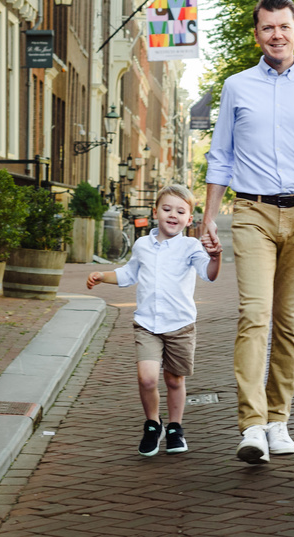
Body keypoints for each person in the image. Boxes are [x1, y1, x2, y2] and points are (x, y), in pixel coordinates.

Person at [201, 0, 294, 464]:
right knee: (254, 316)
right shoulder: (237, 87)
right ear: (257, 35)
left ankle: (278, 420)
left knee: (290, 321)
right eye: (267, 28)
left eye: (284, 26)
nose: (276, 35)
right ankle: (251, 426)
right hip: (251, 213)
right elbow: (220, 155)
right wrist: (208, 216)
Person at [87, 184, 222, 457]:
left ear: (189, 218)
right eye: (167, 208)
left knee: (174, 381)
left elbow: (209, 274)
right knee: (147, 379)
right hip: (147, 324)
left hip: (180, 326)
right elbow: (128, 274)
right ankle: (152, 423)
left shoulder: (191, 246)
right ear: (155, 212)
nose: (173, 215)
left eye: (180, 211)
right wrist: (104, 276)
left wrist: (216, 257)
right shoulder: (142, 245)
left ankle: (175, 427)